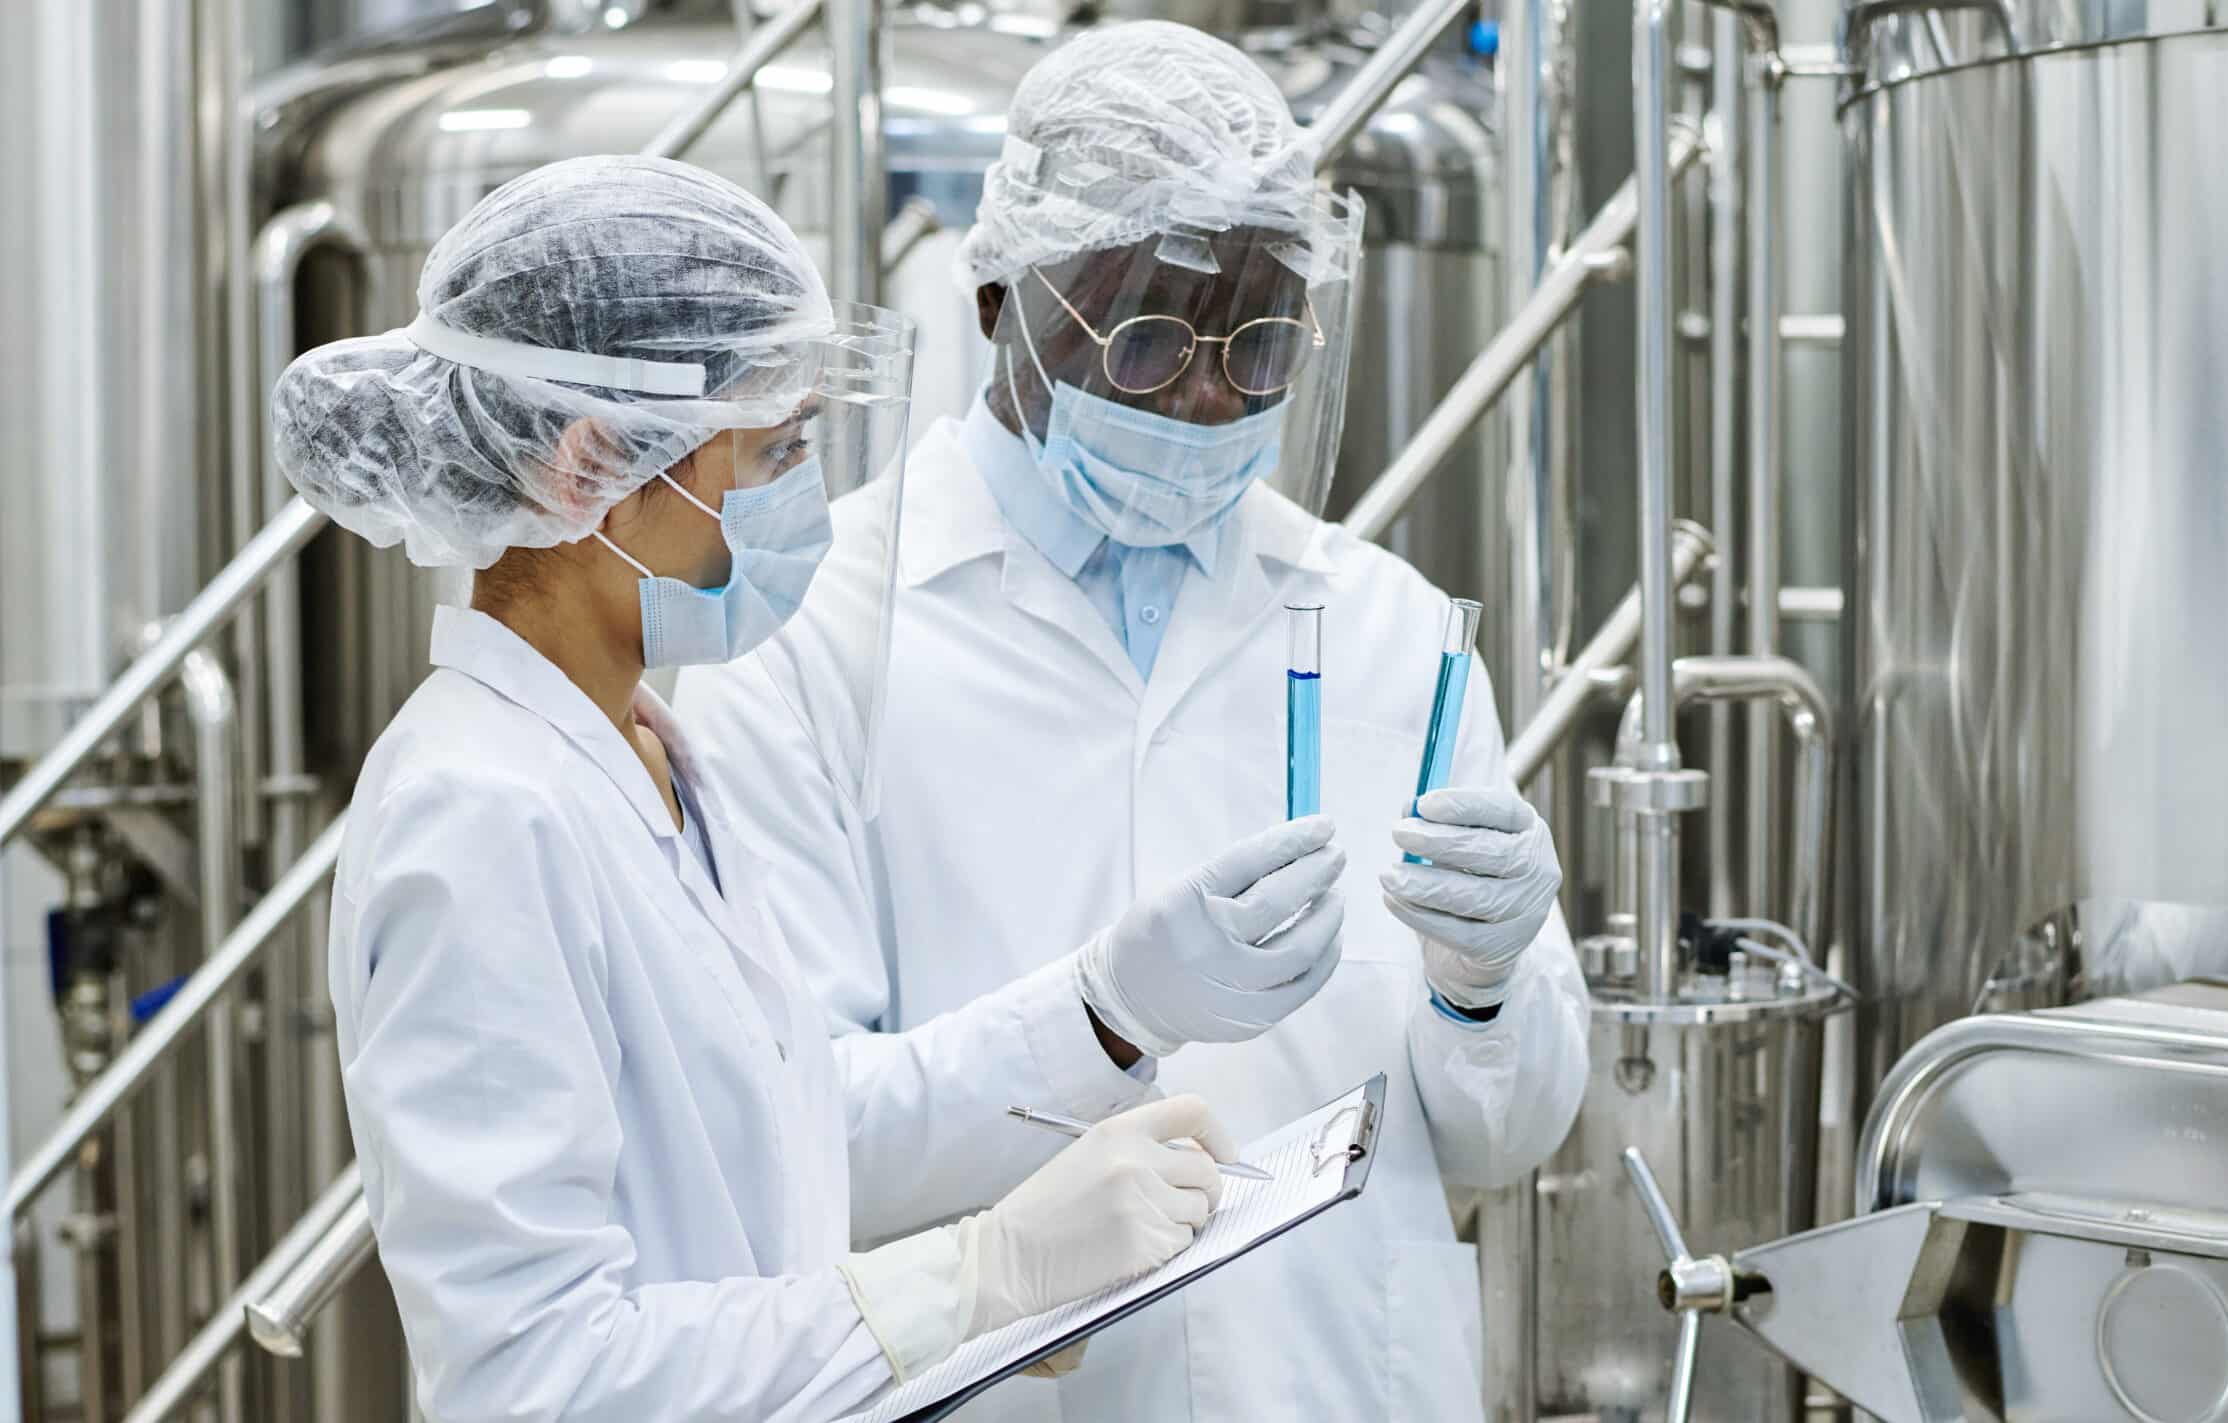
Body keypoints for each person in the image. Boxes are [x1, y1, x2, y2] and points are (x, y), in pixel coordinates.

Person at [272, 154, 1350, 1422]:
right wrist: (974, 1280)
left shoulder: (645, 751)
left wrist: (1104, 1011)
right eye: (775, 449)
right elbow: (537, 1377)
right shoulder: (475, 814)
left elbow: (785, 1132)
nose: (806, 500)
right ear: (587, 466)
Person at [678, 23, 1590, 1421]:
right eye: (1148, 339)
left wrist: (1484, 988)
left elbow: (1503, 1142)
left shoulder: (1391, 628)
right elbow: (786, 1145)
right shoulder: (806, 635)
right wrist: (1098, 1022)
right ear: (1000, 299)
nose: (1209, 396)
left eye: (1261, 342)